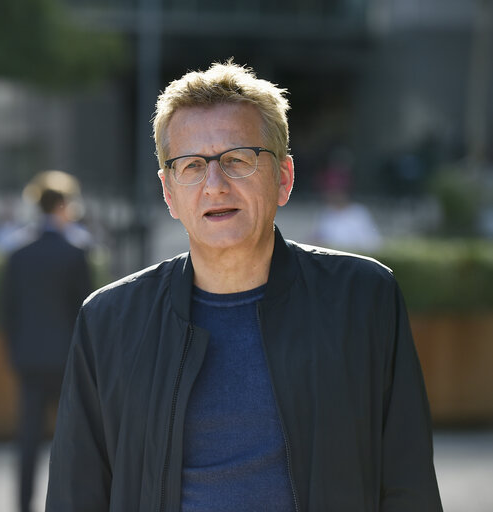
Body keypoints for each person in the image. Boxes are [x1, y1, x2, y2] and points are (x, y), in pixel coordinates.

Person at [45, 61, 442, 511]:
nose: (215, 185)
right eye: (192, 165)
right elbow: (75, 495)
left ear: (284, 178)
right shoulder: (110, 321)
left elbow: (408, 483)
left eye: (238, 160)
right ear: (169, 193)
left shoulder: (364, 298)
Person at [0, 171, 93, 512]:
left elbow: (7, 311)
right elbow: (88, 313)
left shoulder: (17, 252)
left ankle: (23, 505)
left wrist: (15, 353)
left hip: (29, 359)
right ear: (63, 205)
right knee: (71, 439)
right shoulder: (75, 251)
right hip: (67, 358)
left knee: (27, 439)